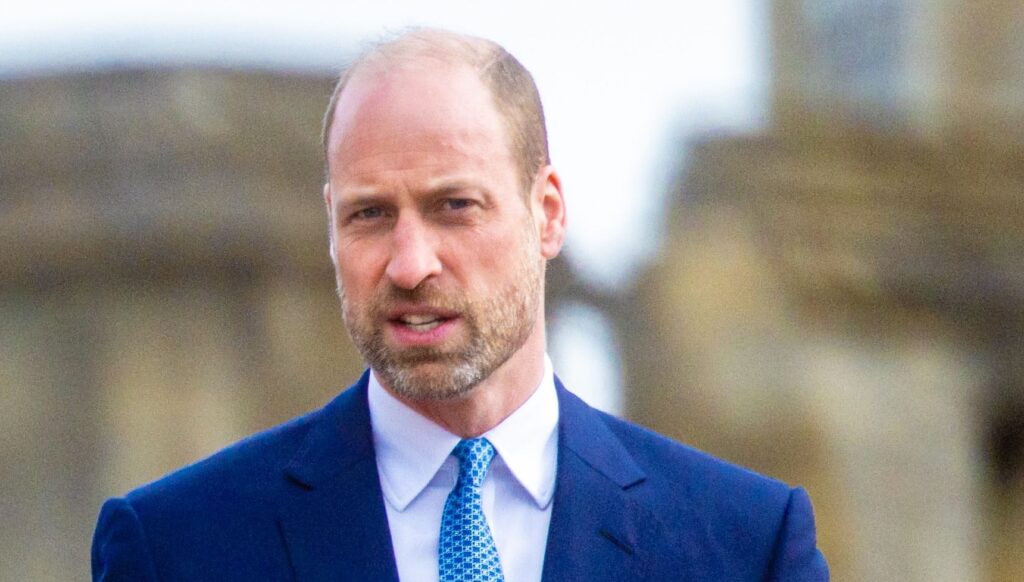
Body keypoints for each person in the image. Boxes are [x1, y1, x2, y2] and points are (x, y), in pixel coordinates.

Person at [92, 28, 829, 581]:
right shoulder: (176, 547)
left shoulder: (744, 545)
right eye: (369, 215)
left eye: (454, 206)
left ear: (546, 213)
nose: (411, 265)